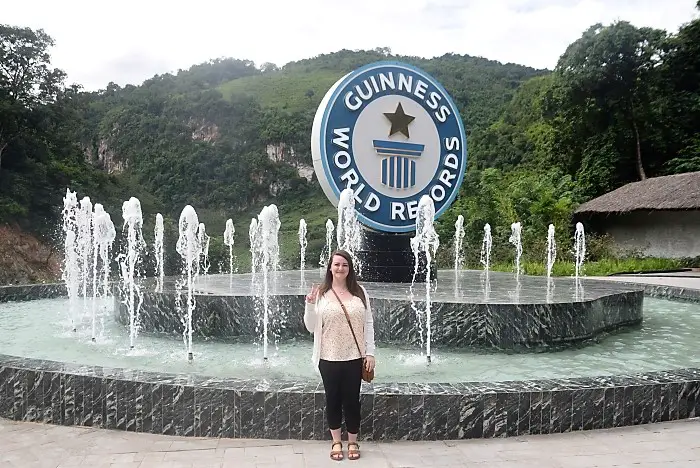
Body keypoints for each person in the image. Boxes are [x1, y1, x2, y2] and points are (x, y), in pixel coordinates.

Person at [304, 249, 375, 461]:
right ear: (330, 267)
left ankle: (352, 440)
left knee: (352, 401)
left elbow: (368, 323)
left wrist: (369, 352)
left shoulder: (360, 292)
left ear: (349, 268)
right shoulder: (322, 294)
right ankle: (336, 441)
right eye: (336, 264)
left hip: (354, 357)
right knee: (333, 399)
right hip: (328, 357)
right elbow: (310, 327)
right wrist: (309, 304)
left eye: (344, 265)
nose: (340, 268)